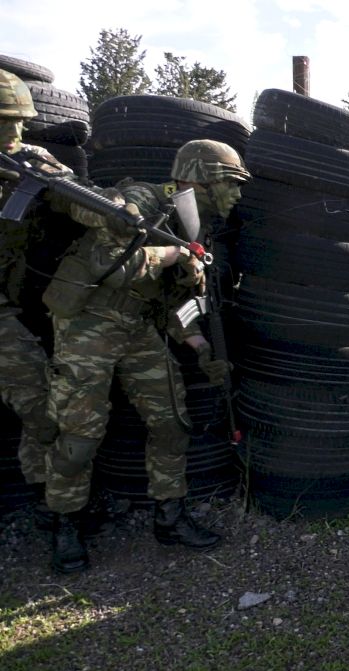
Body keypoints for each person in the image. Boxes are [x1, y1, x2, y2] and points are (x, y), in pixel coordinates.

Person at [43, 139, 246, 574]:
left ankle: (169, 518)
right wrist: (176, 254)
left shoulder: (197, 225)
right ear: (201, 179)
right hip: (88, 324)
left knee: (172, 422)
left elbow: (174, 303)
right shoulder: (141, 203)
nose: (237, 194)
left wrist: (200, 347)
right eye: (231, 183)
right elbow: (113, 267)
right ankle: (65, 526)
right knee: (79, 436)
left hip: (139, 327)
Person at [0, 68, 69, 503]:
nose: (14, 130)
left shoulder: (30, 158)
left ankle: (50, 501)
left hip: (8, 306)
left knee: (42, 405)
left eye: (20, 120)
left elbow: (77, 195)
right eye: (3, 121)